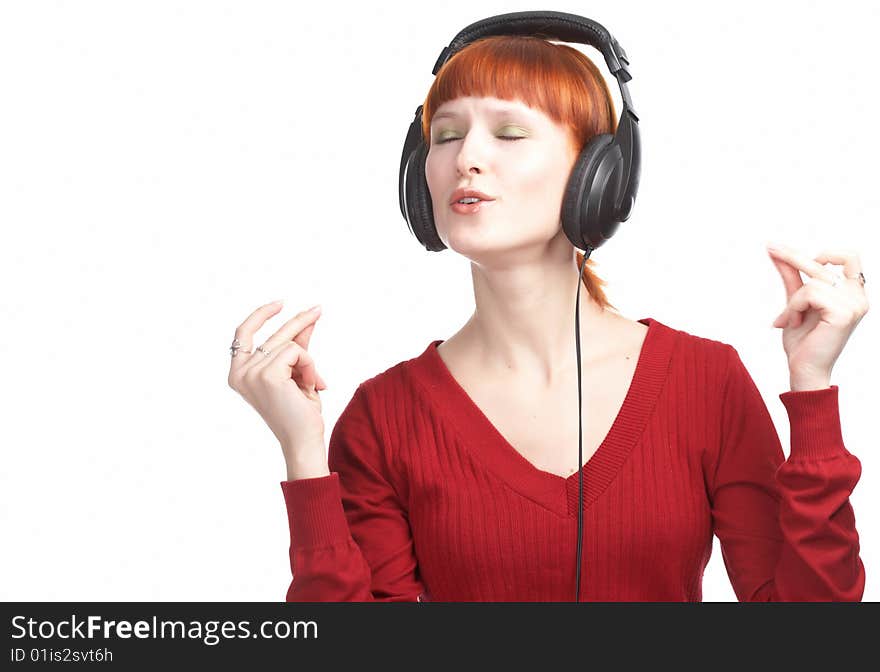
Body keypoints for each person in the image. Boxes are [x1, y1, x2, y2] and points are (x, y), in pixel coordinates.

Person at [227, 35, 867, 601]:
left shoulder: (706, 380)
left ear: (598, 177)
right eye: (446, 134)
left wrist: (812, 387)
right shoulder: (384, 416)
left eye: (508, 133)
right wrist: (304, 453)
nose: (465, 157)